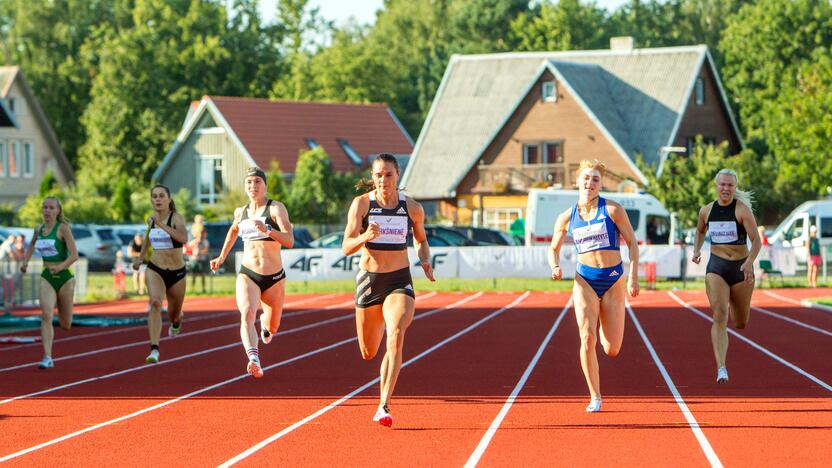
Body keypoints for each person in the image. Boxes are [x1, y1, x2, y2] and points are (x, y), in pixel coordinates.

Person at [342, 153, 436, 427]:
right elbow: (346, 246)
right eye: (378, 175)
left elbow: (421, 241)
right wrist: (364, 236)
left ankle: (384, 404)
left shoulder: (413, 208)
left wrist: (426, 260)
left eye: (389, 175)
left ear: (398, 176)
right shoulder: (361, 204)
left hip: (399, 280)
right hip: (369, 282)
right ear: (372, 178)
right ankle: (380, 318)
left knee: (395, 335)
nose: (383, 180)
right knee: (368, 351)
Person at [548, 159, 639, 413]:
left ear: (601, 184)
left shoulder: (612, 210)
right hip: (584, 280)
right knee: (586, 338)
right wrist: (554, 266)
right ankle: (595, 396)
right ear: (578, 181)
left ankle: (606, 320)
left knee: (611, 349)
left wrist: (633, 276)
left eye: (595, 179)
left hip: (613, 281)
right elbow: (553, 249)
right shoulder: (566, 217)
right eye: (586, 178)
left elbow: (632, 242)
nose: (590, 183)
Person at [210, 167, 294, 378]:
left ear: (265, 185)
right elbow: (233, 231)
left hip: (274, 278)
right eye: (249, 182)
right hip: (248, 273)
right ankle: (253, 358)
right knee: (247, 313)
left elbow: (289, 240)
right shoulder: (241, 212)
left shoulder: (275, 209)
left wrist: (267, 230)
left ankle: (267, 328)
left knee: (273, 326)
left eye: (257, 182)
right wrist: (221, 257)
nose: (253, 186)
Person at [692, 168, 761, 383]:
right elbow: (700, 230)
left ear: (735, 187)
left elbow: (756, 240)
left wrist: (749, 261)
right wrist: (696, 249)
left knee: (740, 322)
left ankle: (734, 299)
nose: (726, 188)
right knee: (719, 315)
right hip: (717, 268)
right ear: (716, 185)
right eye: (722, 184)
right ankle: (721, 367)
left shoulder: (742, 210)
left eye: (730, 185)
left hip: (740, 268)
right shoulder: (706, 211)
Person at [19, 196, 79, 369]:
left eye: (51, 208)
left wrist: (60, 267)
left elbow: (74, 255)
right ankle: (47, 357)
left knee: (66, 324)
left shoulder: (63, 228)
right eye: (45, 207)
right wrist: (25, 263)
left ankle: (65, 316)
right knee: (46, 315)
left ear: (58, 210)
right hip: (47, 275)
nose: (47, 211)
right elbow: (31, 245)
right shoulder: (39, 228)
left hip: (65, 277)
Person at [132, 184, 188, 364]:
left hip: (177, 272)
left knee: (174, 314)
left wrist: (161, 224)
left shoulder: (176, 218)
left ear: (169, 199)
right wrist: (140, 259)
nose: (157, 199)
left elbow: (183, 239)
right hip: (155, 268)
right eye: (154, 196)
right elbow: (147, 239)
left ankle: (177, 321)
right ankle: (154, 349)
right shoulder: (151, 220)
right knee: (155, 303)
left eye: (161, 196)